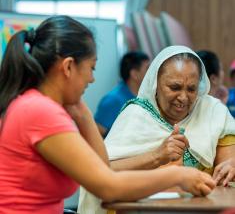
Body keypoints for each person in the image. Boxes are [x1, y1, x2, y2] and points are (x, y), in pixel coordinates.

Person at [0, 17, 215, 214]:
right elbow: (108, 186)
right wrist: (178, 175)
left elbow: (102, 167)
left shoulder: (40, 106)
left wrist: (84, 115)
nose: (92, 79)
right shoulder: (40, 111)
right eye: (91, 68)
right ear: (68, 67)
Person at [79, 45, 235, 214]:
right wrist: (157, 156)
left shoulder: (212, 111)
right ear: (155, 83)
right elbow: (101, 174)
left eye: (191, 89)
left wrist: (232, 164)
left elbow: (226, 168)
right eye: (175, 87)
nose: (183, 97)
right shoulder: (137, 115)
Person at [95, 51, 150, 137]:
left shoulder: (147, 97)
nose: (152, 72)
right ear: (134, 74)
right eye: (147, 68)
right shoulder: (112, 100)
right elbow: (97, 134)